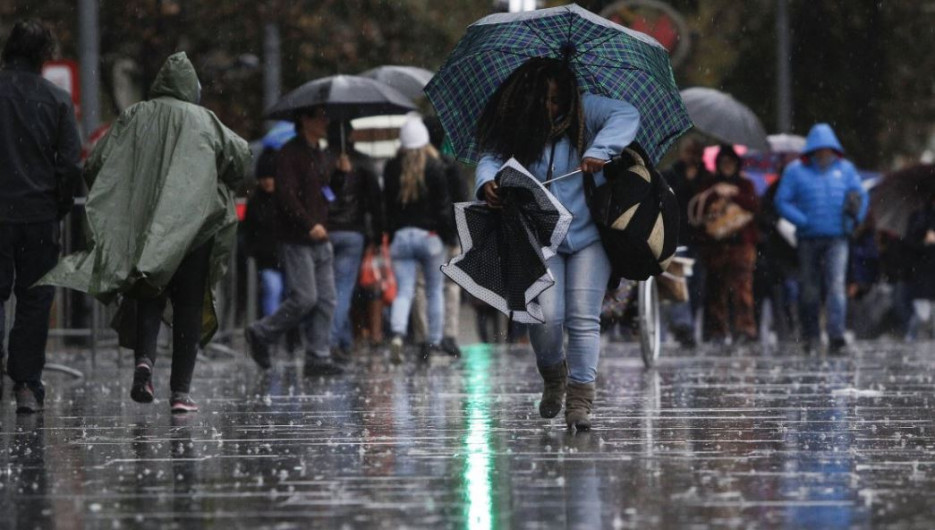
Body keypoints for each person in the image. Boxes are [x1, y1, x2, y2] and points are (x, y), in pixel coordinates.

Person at [41, 52, 250, 413]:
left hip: (146, 231)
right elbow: (241, 159)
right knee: (187, 307)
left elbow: (95, 164)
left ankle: (144, 363)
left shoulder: (135, 115)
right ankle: (181, 393)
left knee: (147, 294)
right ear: (192, 89)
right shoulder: (205, 120)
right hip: (194, 232)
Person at [475, 57, 639, 431]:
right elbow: (492, 154)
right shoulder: (519, 124)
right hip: (539, 234)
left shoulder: (589, 110)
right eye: (544, 100)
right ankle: (553, 374)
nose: (550, 108)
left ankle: (580, 400)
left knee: (583, 316)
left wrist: (601, 149)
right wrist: (487, 181)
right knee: (546, 315)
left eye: (557, 100)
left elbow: (627, 115)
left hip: (588, 236)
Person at [0, 20, 81, 413]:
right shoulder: (56, 100)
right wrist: (60, 205)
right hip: (39, 214)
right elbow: (70, 166)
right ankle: (26, 384)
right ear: (44, 56)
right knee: (35, 299)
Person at [245, 105, 346, 376]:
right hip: (297, 239)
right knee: (305, 298)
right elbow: (287, 197)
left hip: (320, 238)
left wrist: (341, 175)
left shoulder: (320, 153)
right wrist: (308, 224)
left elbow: (327, 194)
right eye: (320, 116)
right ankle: (261, 332)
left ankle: (318, 356)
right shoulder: (289, 154)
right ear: (305, 120)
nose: (325, 121)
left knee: (327, 299)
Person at [775, 123, 868, 355]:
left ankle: (836, 335)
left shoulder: (846, 170)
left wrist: (856, 218)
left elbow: (862, 196)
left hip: (838, 237)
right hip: (808, 239)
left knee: (836, 286)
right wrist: (803, 221)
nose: (824, 154)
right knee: (809, 289)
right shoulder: (795, 171)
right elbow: (781, 201)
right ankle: (811, 334)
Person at [383, 117, 454, 363]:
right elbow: (443, 206)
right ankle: (434, 342)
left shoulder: (392, 168)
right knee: (435, 291)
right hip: (430, 237)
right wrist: (449, 235)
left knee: (404, 291)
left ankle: (398, 334)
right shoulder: (434, 167)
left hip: (401, 237)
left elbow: (386, 207)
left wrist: (391, 233)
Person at [325, 120, 384, 361]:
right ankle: (331, 341)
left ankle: (343, 339)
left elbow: (322, 195)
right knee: (343, 289)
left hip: (325, 230)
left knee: (329, 290)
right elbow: (375, 202)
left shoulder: (321, 160)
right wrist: (378, 235)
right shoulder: (363, 162)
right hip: (352, 232)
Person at [694, 145, 759, 345]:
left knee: (743, 289)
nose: (727, 167)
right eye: (724, 163)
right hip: (716, 246)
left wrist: (734, 194)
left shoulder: (745, 185)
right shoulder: (709, 185)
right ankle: (717, 331)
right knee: (716, 290)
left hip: (741, 245)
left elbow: (754, 206)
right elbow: (699, 210)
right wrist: (716, 192)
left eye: (731, 163)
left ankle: (745, 329)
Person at [424, 115, 468, 357]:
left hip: (427, 233)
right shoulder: (449, 165)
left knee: (424, 288)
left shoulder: (418, 165)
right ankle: (449, 336)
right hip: (448, 234)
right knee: (449, 287)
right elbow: (461, 199)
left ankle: (428, 337)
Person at [661, 136, 710, 347]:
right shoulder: (671, 174)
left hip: (699, 239)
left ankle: (688, 324)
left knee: (697, 286)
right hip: (677, 236)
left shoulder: (707, 177)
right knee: (678, 281)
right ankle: (683, 325)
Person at [244, 148, 283, 317]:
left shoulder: (283, 200)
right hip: (267, 259)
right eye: (264, 178)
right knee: (274, 291)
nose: (268, 181)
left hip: (281, 258)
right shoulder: (256, 203)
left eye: (270, 177)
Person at [904, 193, 935, 341]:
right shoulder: (919, 217)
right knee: (922, 314)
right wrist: (925, 242)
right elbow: (909, 244)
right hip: (922, 272)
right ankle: (911, 336)